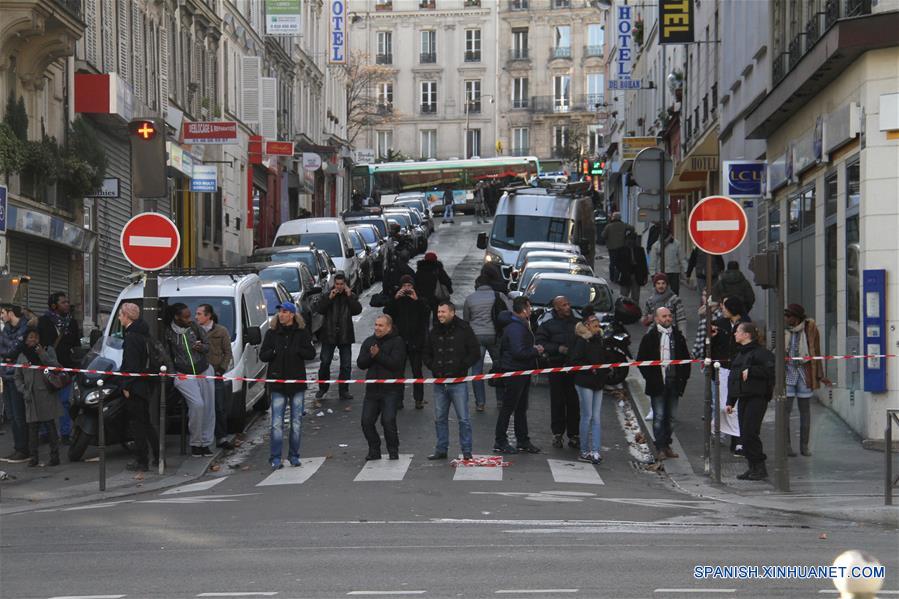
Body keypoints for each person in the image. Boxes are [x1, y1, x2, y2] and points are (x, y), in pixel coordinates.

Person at [259, 302, 316, 470]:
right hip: (277, 383)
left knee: (296, 422)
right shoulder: (271, 334)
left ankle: (294, 455)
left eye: (284, 312)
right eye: (279, 312)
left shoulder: (301, 333)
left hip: (297, 383)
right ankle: (275, 457)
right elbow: (263, 355)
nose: (281, 315)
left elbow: (311, 353)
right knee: (276, 423)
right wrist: (274, 352)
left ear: (292, 314)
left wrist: (298, 350)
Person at [422, 301, 480, 460]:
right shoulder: (433, 331)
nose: (440, 314)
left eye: (443, 312)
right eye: (438, 311)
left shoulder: (464, 329)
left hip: (458, 382)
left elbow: (475, 352)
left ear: (452, 312)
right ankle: (441, 449)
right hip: (440, 382)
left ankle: (467, 451)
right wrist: (433, 365)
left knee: (464, 419)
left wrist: (463, 366)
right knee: (440, 418)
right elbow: (426, 353)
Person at [636, 307, 691, 461]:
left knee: (671, 417)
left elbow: (685, 359)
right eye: (664, 316)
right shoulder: (650, 337)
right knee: (659, 416)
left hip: (674, 383)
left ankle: (667, 444)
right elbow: (641, 360)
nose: (668, 318)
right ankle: (659, 447)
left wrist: (684, 377)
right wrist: (651, 377)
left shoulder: (677, 337)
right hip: (658, 384)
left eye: (669, 316)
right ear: (657, 319)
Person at [163, 303, 216, 457]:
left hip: (204, 369)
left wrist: (201, 348)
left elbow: (207, 346)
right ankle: (195, 442)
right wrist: (174, 374)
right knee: (198, 405)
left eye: (190, 315)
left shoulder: (194, 327)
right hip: (183, 374)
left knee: (208, 408)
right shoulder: (168, 333)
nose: (190, 319)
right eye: (185, 317)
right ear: (176, 317)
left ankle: (206, 443)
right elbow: (167, 356)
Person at [493, 297, 544, 455]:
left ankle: (522, 440)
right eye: (529, 308)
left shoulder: (519, 324)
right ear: (523, 309)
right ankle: (501, 441)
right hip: (515, 371)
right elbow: (518, 351)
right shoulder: (516, 327)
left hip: (521, 370)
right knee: (509, 407)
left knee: (521, 407)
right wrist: (536, 351)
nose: (531, 310)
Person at [726, 322, 776, 481]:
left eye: (738, 331)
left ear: (746, 334)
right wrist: (730, 401)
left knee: (750, 432)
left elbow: (772, 371)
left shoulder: (761, 353)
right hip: (743, 398)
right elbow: (733, 379)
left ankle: (759, 467)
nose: (734, 334)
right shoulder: (740, 354)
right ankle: (753, 466)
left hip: (756, 397)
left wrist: (752, 371)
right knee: (745, 433)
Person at [568, 309, 616, 464]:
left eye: (598, 326)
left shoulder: (599, 340)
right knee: (588, 416)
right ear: (588, 326)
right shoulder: (582, 340)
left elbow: (604, 356)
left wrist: (606, 367)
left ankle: (594, 450)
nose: (598, 328)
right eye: (595, 326)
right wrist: (591, 368)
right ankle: (584, 450)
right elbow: (575, 360)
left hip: (597, 382)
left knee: (596, 417)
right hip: (585, 381)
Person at [357, 314, 407, 461]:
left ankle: (393, 450)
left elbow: (396, 364)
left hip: (390, 390)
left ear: (389, 327)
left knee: (388, 421)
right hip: (372, 390)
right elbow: (361, 363)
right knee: (366, 421)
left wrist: (378, 355)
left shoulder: (397, 342)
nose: (377, 328)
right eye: (376, 325)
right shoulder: (369, 342)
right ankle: (374, 449)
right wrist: (371, 356)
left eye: (381, 325)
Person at [784, 303, 831, 457]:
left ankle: (804, 446)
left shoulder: (810, 329)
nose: (786, 319)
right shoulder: (784, 330)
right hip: (788, 373)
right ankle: (787, 446)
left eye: (789, 316)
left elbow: (816, 352)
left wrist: (820, 375)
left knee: (805, 411)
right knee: (785, 412)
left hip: (805, 373)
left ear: (797, 317)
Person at [117, 303, 159, 471]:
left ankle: (142, 460)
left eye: (120, 314)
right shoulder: (144, 334)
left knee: (138, 425)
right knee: (146, 422)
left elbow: (131, 365)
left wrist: (126, 385)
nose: (119, 317)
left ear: (127, 316)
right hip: (145, 384)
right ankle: (156, 455)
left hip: (135, 386)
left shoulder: (131, 337)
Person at [463, 266, 511, 411]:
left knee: (476, 370)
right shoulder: (499, 296)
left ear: (476, 286)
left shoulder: (470, 299)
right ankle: (500, 400)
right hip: (495, 336)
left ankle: (480, 403)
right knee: (499, 367)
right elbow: (509, 313)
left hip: (476, 337)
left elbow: (466, 320)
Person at [535, 296, 580, 450]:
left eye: (568, 304)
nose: (568, 307)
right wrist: (557, 349)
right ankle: (558, 433)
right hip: (556, 367)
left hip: (574, 368)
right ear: (557, 308)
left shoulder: (576, 324)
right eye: (564, 305)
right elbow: (540, 342)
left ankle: (574, 434)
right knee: (558, 401)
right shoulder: (548, 325)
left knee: (573, 401)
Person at [14, 329, 63, 467]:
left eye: (36, 337)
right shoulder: (22, 356)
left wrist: (42, 354)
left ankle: (55, 457)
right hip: (30, 396)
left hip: (46, 394)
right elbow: (17, 377)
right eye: (30, 337)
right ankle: (33, 457)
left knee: (50, 426)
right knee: (32, 429)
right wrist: (23, 390)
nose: (33, 340)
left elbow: (56, 367)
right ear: (25, 340)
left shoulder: (47, 350)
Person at [710, 296, 752, 455]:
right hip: (722, 368)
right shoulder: (719, 324)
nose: (722, 310)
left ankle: (738, 440)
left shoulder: (746, 323)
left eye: (725, 307)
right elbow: (710, 346)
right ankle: (722, 430)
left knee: (737, 405)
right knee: (723, 405)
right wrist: (712, 339)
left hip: (739, 369)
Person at [37, 292, 80, 444]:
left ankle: (66, 433)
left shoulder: (72, 323)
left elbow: (76, 345)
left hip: (66, 367)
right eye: (63, 302)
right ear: (54, 306)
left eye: (67, 302)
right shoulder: (43, 321)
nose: (67, 304)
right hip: (47, 367)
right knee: (44, 400)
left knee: (64, 402)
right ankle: (44, 433)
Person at [384, 275, 430, 409]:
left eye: (409, 286)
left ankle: (419, 399)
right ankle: (399, 400)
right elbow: (387, 314)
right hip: (400, 341)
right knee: (398, 372)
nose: (407, 289)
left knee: (417, 371)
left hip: (416, 341)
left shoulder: (419, 299)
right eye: (405, 286)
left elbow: (426, 314)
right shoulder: (397, 300)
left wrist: (417, 300)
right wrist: (395, 299)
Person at [315, 273, 362, 404]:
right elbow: (320, 309)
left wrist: (349, 296)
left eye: (342, 284)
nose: (339, 287)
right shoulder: (327, 295)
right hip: (329, 335)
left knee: (346, 365)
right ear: (334, 284)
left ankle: (344, 390)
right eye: (337, 284)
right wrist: (329, 298)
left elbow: (357, 310)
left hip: (345, 335)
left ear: (345, 284)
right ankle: (322, 388)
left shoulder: (350, 296)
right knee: (325, 363)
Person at [196, 304, 234, 449]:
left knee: (218, 405)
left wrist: (221, 369)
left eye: (199, 314)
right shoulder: (195, 331)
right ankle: (203, 437)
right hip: (200, 372)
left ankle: (221, 437)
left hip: (215, 372)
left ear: (208, 316)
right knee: (201, 406)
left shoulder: (221, 331)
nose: (196, 316)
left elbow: (227, 352)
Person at [0, 305, 30, 462]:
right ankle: (18, 448)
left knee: (19, 415)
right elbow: (4, 349)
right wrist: (7, 356)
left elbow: (14, 350)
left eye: (3, 313)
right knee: (11, 415)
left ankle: (24, 449)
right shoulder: (6, 329)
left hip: (17, 377)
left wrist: (8, 355)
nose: (1, 316)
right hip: (6, 375)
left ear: (11, 313)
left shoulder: (24, 328)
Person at [416, 251, 453, 323]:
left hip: (423, 297)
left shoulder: (420, 271)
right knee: (437, 318)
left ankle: (425, 332)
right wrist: (449, 290)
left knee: (424, 319)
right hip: (436, 298)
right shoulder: (438, 270)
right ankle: (436, 331)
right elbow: (446, 281)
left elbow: (416, 283)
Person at [600, 212, 634, 281]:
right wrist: (627, 236)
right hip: (622, 247)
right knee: (620, 263)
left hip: (611, 248)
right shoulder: (623, 225)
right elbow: (632, 228)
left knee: (612, 263)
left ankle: (612, 278)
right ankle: (618, 277)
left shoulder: (609, 226)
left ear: (613, 218)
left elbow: (603, 236)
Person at [650, 231, 686, 296]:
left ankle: (674, 305)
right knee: (661, 292)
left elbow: (682, 258)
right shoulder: (656, 245)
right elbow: (653, 260)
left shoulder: (676, 244)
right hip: (661, 272)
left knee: (674, 293)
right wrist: (653, 273)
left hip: (674, 272)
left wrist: (686, 270)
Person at [616, 230, 648, 303]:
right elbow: (617, 263)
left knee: (635, 297)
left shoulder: (640, 250)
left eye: (633, 239)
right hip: (625, 275)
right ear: (626, 240)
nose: (631, 241)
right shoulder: (621, 250)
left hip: (636, 275)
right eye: (629, 239)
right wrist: (622, 271)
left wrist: (645, 276)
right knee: (623, 296)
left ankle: (635, 311)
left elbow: (643, 263)